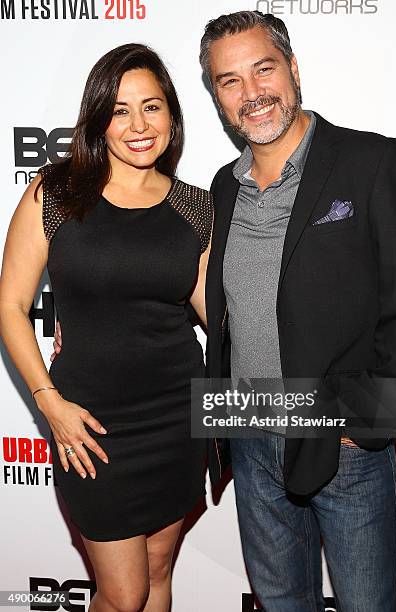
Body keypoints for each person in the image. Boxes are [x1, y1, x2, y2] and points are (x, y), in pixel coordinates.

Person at [200, 10, 396, 612]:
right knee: (280, 602)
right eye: (230, 81)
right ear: (219, 100)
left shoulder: (376, 162)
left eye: (263, 69)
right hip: (252, 437)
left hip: (342, 441)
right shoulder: (224, 186)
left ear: (294, 68)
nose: (251, 93)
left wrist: (366, 422)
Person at [0, 43, 212, 612]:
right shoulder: (57, 193)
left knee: (159, 571)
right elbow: (11, 306)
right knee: (123, 594)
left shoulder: (196, 208)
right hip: (88, 424)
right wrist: (49, 401)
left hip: (177, 417)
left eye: (153, 106)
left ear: (172, 114)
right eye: (120, 110)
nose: (139, 125)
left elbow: (218, 317)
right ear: (98, 118)